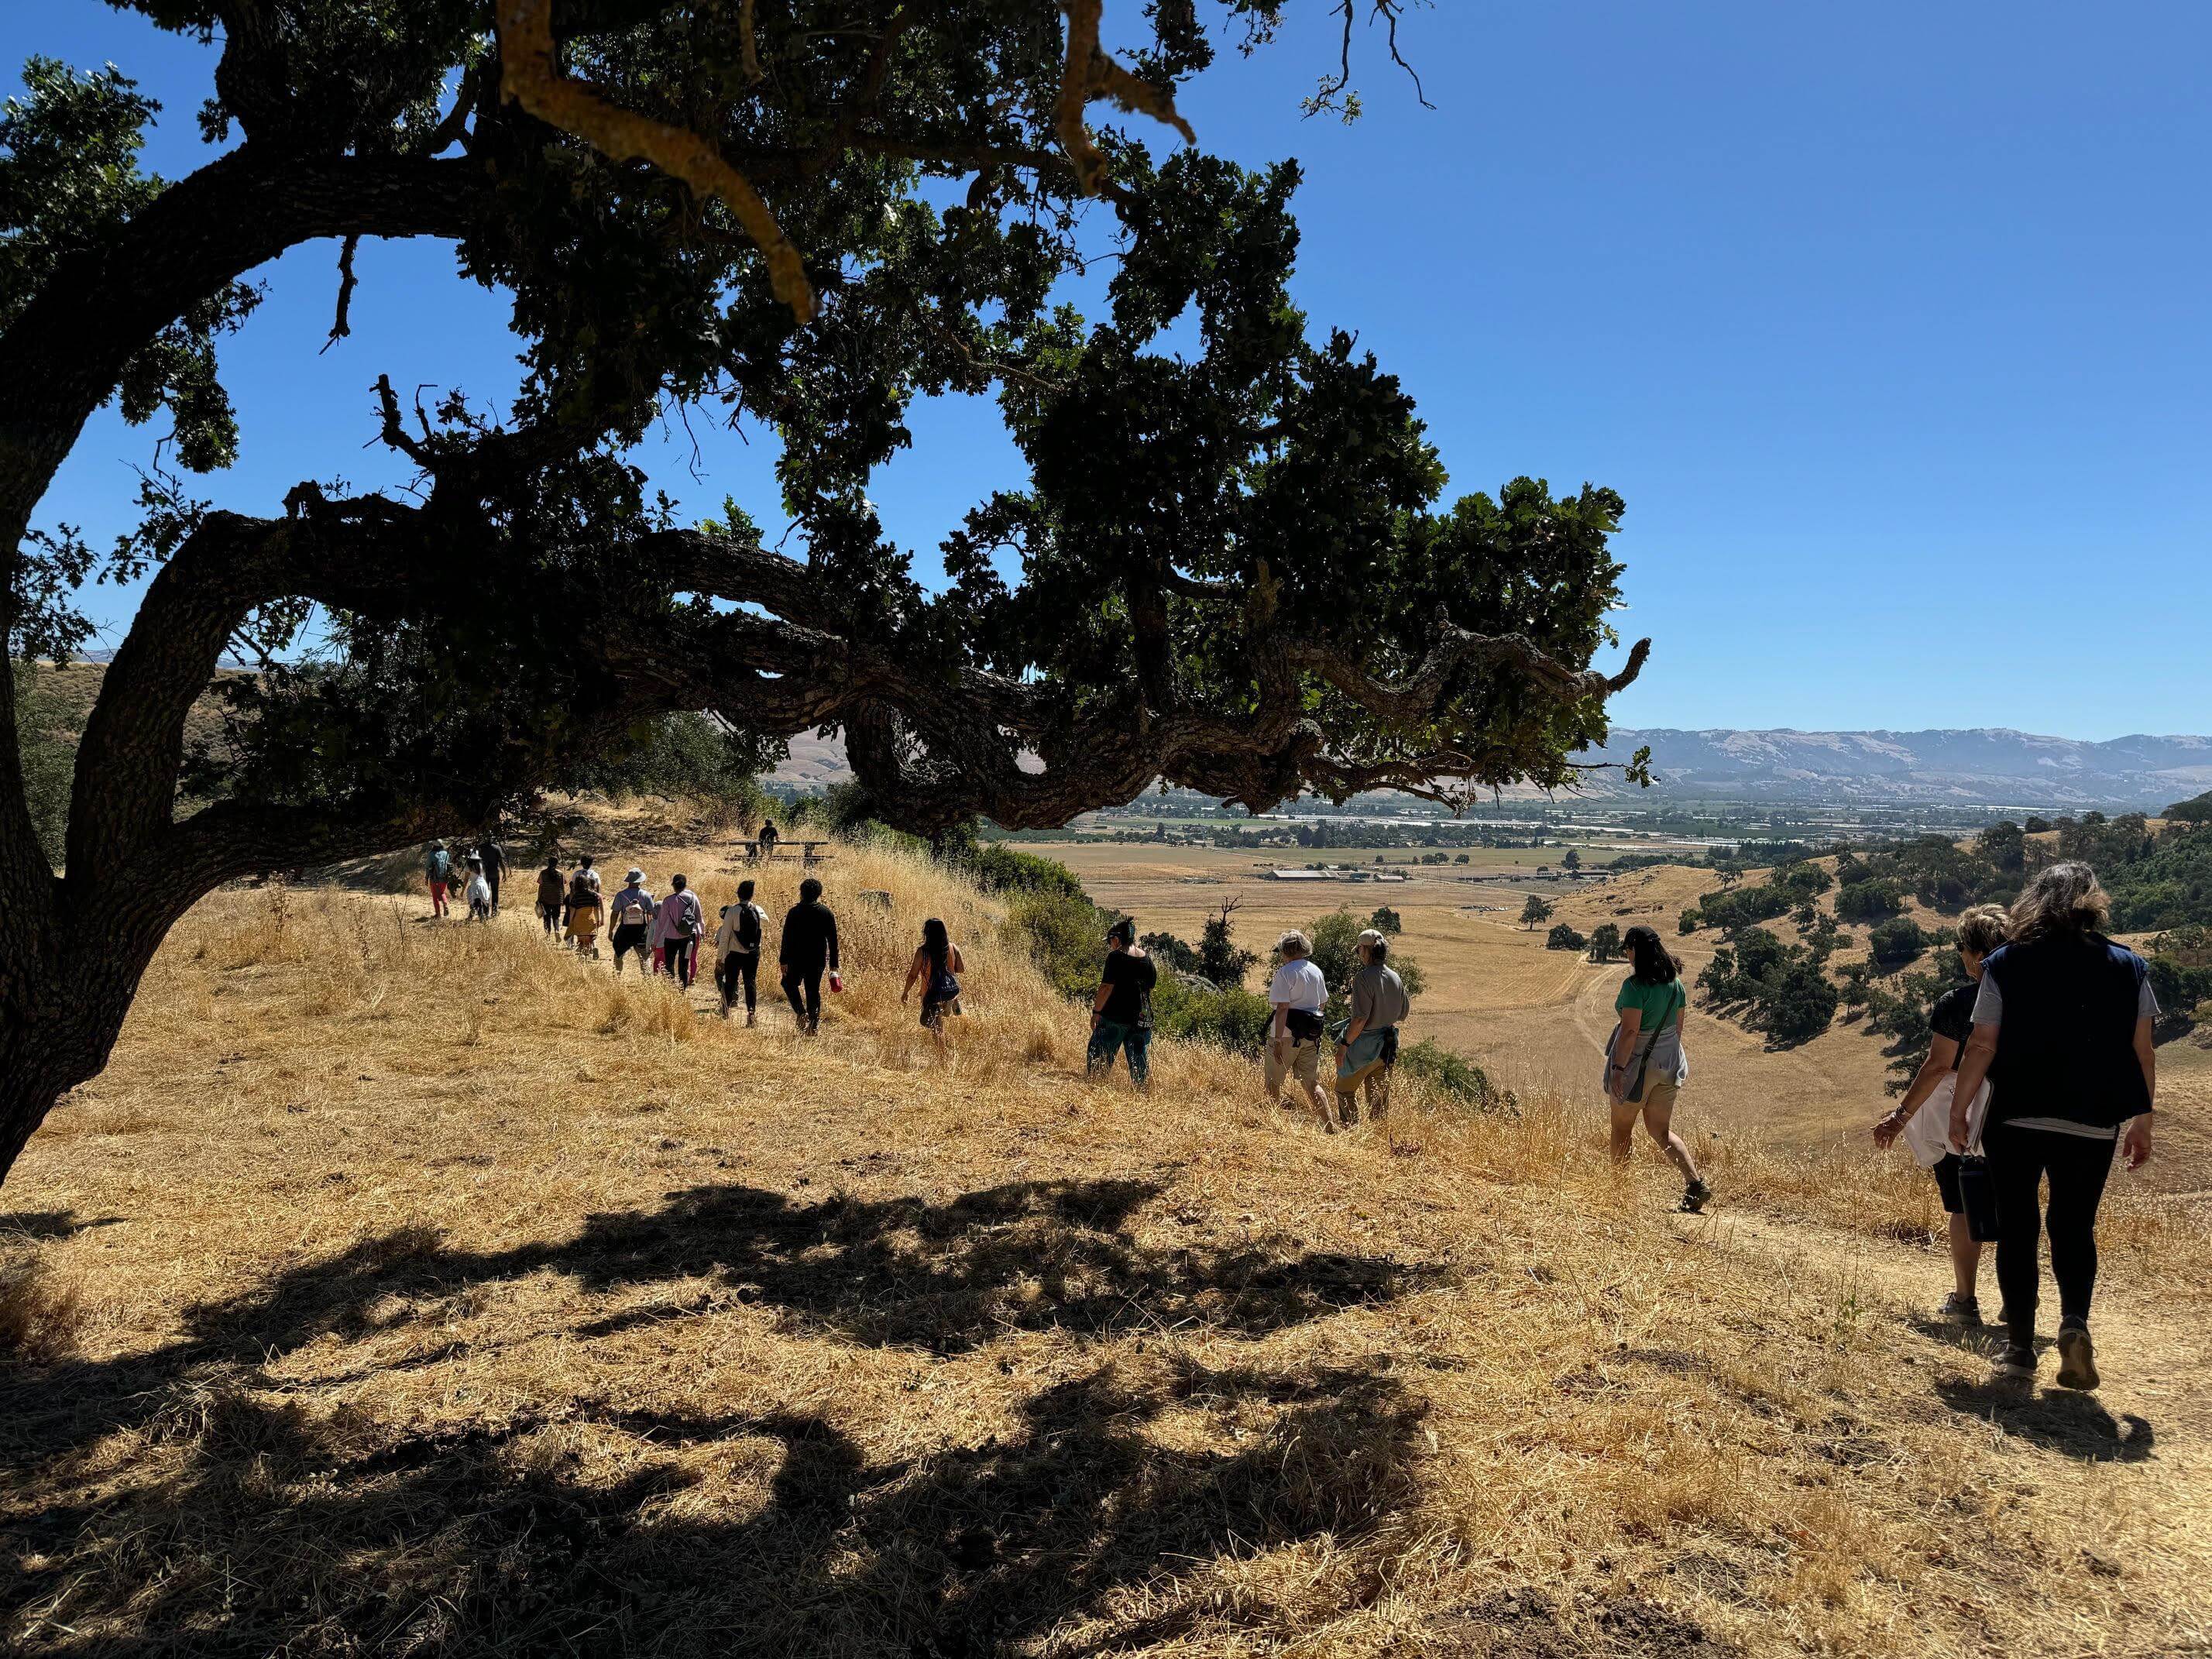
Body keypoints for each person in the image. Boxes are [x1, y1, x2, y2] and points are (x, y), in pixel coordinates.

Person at [1949, 863, 2156, 1390]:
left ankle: (2020, 1349)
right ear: (2093, 902)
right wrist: (2143, 1119)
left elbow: (1982, 1045)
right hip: (2093, 1118)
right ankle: (2074, 1325)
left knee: (2018, 1226)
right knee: (2073, 1226)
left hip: (2016, 1115)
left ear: (2033, 901)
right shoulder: (2129, 965)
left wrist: (1960, 1110)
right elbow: (2142, 1052)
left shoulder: (2005, 963)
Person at [1872, 905, 2009, 1324]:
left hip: (1964, 1118)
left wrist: (1899, 1117)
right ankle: (2017, 1300)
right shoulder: (2036, 1001)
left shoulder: (1958, 1003)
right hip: (2017, 1115)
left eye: (1963, 950)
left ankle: (1966, 1301)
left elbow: (1936, 1067)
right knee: (2014, 1209)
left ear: (1973, 954)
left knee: (1964, 1206)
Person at [1606, 924, 1710, 1212]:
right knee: (1661, 1131)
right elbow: (1678, 1029)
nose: (1627, 955)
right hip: (1670, 1065)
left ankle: (1617, 1194)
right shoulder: (1675, 984)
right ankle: (1694, 1183)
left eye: (1628, 949)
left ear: (1636, 951)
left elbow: (1629, 1033)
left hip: (1638, 1066)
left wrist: (1618, 1068)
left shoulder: (1634, 986)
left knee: (1622, 1129)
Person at [1334, 928, 1409, 1127]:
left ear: (1366, 951)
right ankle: (1377, 1141)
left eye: (1359, 949)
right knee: (1378, 1103)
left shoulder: (1363, 978)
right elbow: (1403, 1013)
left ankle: (1352, 1134)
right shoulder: (1395, 977)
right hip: (1388, 1046)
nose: (1359, 954)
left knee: (1344, 1090)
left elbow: (1359, 1019)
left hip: (1364, 1046)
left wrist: (1344, 1045)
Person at [1266, 930, 1334, 1129]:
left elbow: (1282, 1008)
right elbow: (1322, 1004)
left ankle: (1274, 1126)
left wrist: (1278, 1041)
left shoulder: (1285, 973)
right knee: (1312, 1084)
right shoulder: (1316, 971)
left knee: (1273, 1083)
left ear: (1285, 950)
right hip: (1311, 1037)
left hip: (1285, 1036)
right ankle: (1329, 1126)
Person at [1086, 918, 1156, 1091]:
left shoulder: (1115, 957)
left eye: (1110, 941)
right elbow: (1150, 988)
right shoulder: (1147, 960)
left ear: (1116, 939)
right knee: (1139, 1064)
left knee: (1099, 1059)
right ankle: (1141, 1096)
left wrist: (1096, 1012)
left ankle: (1095, 1091)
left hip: (1114, 1017)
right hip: (1140, 1020)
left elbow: (1106, 988)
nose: (1110, 945)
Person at [779, 876, 840, 1034]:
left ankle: (800, 1012)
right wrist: (834, 965)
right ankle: (813, 1025)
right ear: (819, 894)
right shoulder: (826, 913)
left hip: (796, 958)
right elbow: (833, 941)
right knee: (813, 990)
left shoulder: (794, 912)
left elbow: (786, 937)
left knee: (788, 984)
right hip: (817, 959)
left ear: (801, 892)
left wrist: (783, 959)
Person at [902, 917, 966, 1055]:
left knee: (936, 1028)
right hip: (950, 994)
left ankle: (943, 1056)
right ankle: (946, 1048)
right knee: (939, 1025)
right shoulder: (953, 947)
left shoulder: (922, 952)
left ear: (927, 933)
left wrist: (905, 992)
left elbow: (912, 975)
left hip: (931, 994)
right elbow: (961, 969)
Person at [713, 879, 768, 1023]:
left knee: (730, 981)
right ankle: (751, 1014)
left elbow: (725, 936)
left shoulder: (732, 911)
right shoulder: (757, 910)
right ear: (752, 895)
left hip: (735, 953)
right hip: (753, 952)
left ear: (739, 895)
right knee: (750, 982)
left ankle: (725, 1010)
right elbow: (766, 921)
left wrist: (720, 957)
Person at [655, 873, 705, 989]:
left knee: (669, 965)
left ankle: (671, 988)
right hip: (688, 938)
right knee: (683, 965)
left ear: (673, 886)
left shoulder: (668, 900)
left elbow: (661, 923)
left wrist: (655, 940)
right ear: (685, 885)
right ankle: (682, 991)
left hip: (671, 938)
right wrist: (701, 934)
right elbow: (699, 919)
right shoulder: (693, 898)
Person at [607, 870, 658, 974]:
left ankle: (617, 976)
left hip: (625, 929)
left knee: (619, 955)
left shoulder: (621, 895)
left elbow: (615, 913)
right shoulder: (646, 895)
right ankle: (647, 981)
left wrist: (611, 930)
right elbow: (651, 913)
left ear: (628, 881)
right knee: (644, 957)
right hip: (641, 930)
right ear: (640, 881)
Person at [563, 870, 604, 958]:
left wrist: (571, 922)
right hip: (590, 919)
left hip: (579, 921)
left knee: (581, 940)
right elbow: (597, 909)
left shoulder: (576, 896)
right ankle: (591, 949)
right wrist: (598, 920)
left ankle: (583, 955)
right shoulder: (594, 895)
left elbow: (573, 911)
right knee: (589, 938)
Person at [534, 857, 566, 936]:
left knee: (546, 917)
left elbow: (541, 887)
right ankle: (556, 930)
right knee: (556, 916)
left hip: (546, 898)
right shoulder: (561, 874)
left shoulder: (543, 873)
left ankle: (548, 934)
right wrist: (563, 899)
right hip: (557, 898)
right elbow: (562, 887)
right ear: (556, 863)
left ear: (548, 863)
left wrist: (538, 898)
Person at [476, 836, 506, 913]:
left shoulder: (480, 848)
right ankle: (495, 910)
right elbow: (501, 863)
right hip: (494, 873)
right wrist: (504, 873)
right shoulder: (497, 848)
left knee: (485, 892)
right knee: (495, 892)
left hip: (484, 873)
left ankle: (486, 911)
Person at [424, 841, 452, 918]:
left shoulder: (431, 854)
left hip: (434, 878)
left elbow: (428, 867)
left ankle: (438, 914)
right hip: (444, 877)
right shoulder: (446, 853)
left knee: (435, 896)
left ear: (434, 846)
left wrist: (426, 878)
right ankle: (445, 906)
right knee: (442, 892)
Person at [462, 855, 493, 922]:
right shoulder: (482, 865)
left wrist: (463, 891)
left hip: (475, 886)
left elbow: (466, 879)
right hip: (483, 885)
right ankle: (486, 916)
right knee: (485, 902)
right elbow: (484, 877)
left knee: (477, 903)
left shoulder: (469, 866)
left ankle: (481, 919)